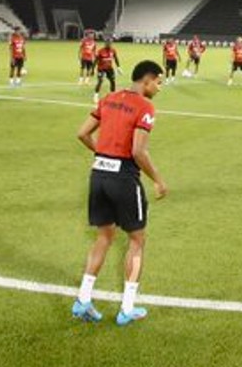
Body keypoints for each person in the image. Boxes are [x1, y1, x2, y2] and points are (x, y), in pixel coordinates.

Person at [71, 60, 169, 326]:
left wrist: (103, 153)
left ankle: (83, 300)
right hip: (124, 179)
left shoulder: (109, 98)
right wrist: (158, 180)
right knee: (137, 241)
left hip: (98, 175)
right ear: (147, 81)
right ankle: (127, 308)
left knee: (104, 237)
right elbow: (138, 151)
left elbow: (82, 133)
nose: (159, 88)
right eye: (158, 83)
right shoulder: (145, 106)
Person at [94, 37, 122, 103]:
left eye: (110, 43)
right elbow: (95, 60)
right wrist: (93, 69)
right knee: (100, 81)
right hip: (101, 69)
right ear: (105, 44)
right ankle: (96, 95)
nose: (109, 44)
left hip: (109, 68)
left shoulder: (113, 50)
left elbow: (116, 58)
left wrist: (118, 67)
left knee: (112, 81)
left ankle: (113, 96)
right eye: (108, 43)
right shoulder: (100, 51)